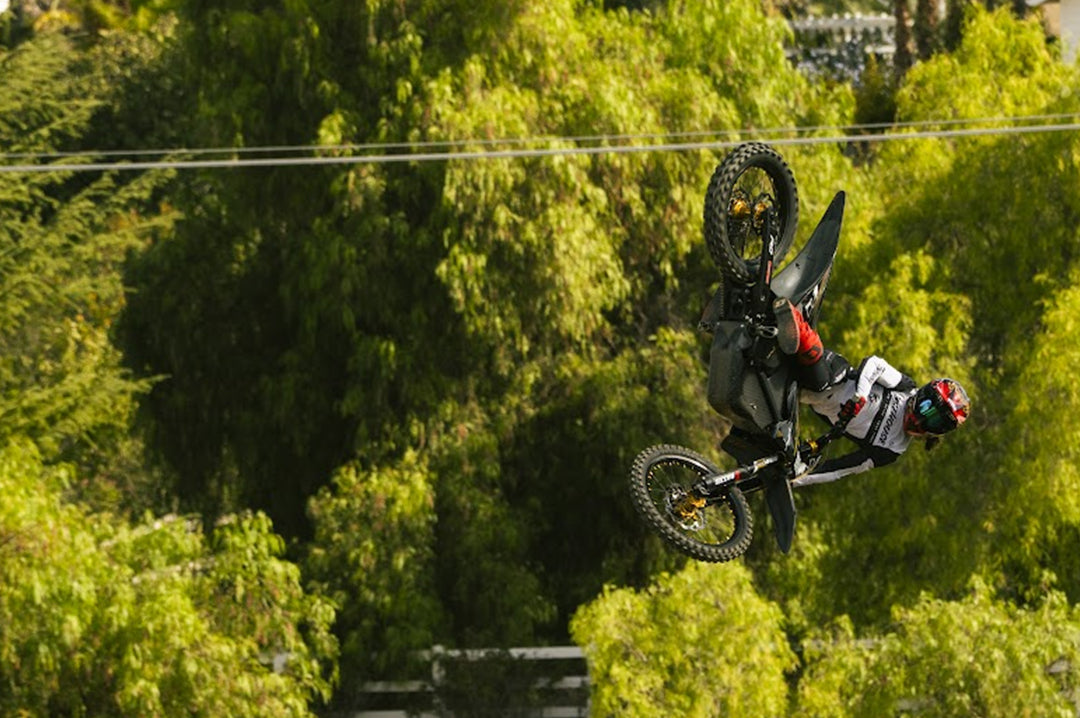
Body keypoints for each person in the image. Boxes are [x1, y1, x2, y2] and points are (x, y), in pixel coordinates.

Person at [772, 299, 971, 488]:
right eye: (926, 406)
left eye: (934, 420)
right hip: (836, 376)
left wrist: (795, 480)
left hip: (806, 400)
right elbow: (876, 364)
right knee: (820, 382)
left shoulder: (891, 450)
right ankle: (790, 313)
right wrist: (861, 396)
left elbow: (841, 469)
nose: (921, 417)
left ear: (938, 431)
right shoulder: (905, 387)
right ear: (923, 393)